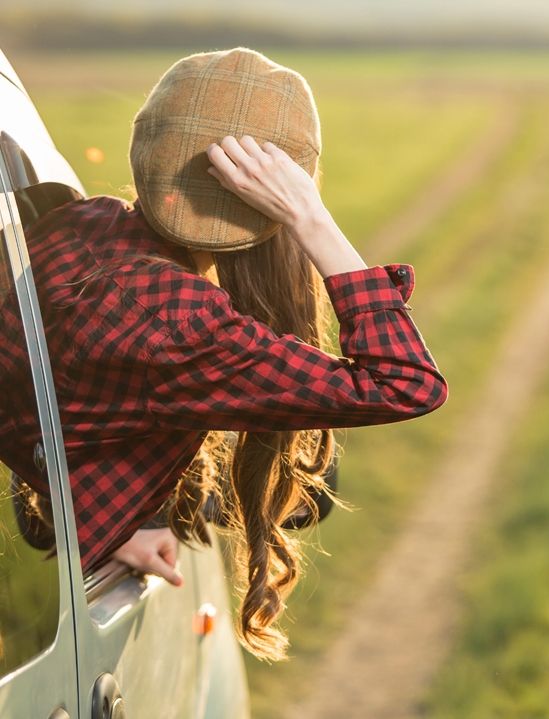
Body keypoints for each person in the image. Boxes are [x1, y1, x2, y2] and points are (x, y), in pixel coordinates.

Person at [0, 47, 447, 660]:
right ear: (272, 194)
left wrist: (113, 513)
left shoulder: (82, 226)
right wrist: (310, 219)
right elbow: (405, 384)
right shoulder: (180, 323)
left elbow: (51, 405)